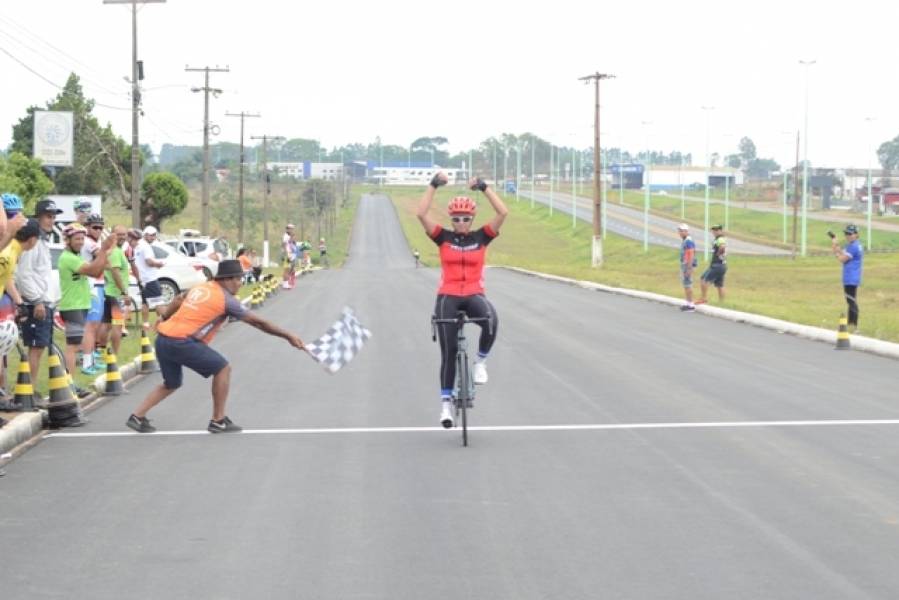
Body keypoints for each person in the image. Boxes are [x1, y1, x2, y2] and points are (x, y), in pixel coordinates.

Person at [125, 259, 306, 434]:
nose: (240, 284)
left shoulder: (201, 287)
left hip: (163, 339)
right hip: (182, 342)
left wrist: (164, 317)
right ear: (227, 279)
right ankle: (218, 420)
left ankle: (137, 416)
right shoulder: (226, 300)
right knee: (222, 368)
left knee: (171, 383)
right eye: (238, 279)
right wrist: (288, 335)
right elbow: (258, 322)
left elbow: (179, 299)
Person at [416, 172, 508, 429]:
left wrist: (484, 187)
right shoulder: (442, 237)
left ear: (472, 219)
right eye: (456, 219)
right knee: (449, 352)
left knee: (491, 319)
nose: (461, 223)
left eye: (466, 219)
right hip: (448, 295)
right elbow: (421, 214)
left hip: (474, 294)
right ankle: (446, 405)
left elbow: (503, 213)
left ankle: (480, 362)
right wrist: (433, 185)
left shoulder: (482, 237)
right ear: (451, 219)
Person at [16, 199, 63, 403]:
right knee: (35, 348)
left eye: (53, 217)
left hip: (44, 302)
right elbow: (23, 275)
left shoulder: (43, 241)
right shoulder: (33, 241)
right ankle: (28, 391)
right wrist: (37, 301)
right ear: (38, 217)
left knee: (40, 348)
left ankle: (31, 389)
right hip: (35, 304)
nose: (51, 220)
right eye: (48, 216)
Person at [57, 223, 116, 380]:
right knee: (73, 347)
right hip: (72, 306)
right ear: (67, 240)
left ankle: (70, 383)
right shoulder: (68, 258)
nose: (81, 242)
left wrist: (104, 252)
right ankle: (68, 383)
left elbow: (99, 268)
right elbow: (94, 271)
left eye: (82, 239)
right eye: (77, 239)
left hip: (80, 305)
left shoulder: (76, 257)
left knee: (76, 345)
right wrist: (103, 250)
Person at [0, 218, 40, 409]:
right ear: (32, 240)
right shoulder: (8, 252)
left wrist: (19, 301)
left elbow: (6, 277)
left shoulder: (13, 251)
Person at [79, 213, 106, 375]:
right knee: (91, 326)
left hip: (98, 284)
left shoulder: (94, 242)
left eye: (101, 228)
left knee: (94, 326)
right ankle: (87, 363)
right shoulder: (88, 243)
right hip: (92, 285)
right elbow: (104, 259)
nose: (98, 231)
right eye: (95, 227)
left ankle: (91, 360)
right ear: (87, 228)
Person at [98, 225, 130, 358]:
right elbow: (115, 272)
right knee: (117, 326)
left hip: (108, 292)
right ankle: (114, 356)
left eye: (124, 234)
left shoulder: (112, 251)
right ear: (112, 235)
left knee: (106, 324)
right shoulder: (116, 252)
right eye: (119, 234)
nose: (122, 237)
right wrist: (124, 292)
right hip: (116, 294)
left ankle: (101, 353)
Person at [832, 224, 864, 331]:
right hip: (850, 277)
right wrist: (836, 246)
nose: (848, 236)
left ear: (856, 234)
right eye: (846, 233)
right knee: (850, 301)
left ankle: (854, 325)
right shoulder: (853, 245)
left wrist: (836, 253)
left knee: (851, 301)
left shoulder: (854, 246)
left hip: (851, 277)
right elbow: (843, 252)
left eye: (850, 234)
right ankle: (851, 324)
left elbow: (842, 259)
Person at [133, 226, 167, 322]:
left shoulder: (138, 245)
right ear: (145, 235)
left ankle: (145, 323)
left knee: (145, 303)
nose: (153, 237)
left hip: (142, 279)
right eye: (151, 235)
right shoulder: (146, 246)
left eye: (154, 235)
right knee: (159, 302)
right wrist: (158, 264)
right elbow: (149, 261)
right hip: (150, 279)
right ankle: (165, 322)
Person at [696, 224, 727, 305]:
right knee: (719, 285)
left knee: (704, 280)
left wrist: (718, 253)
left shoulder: (720, 239)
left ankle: (704, 298)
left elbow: (722, 246)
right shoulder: (718, 239)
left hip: (717, 265)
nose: (715, 232)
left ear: (720, 230)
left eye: (717, 230)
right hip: (722, 265)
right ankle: (722, 303)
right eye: (713, 230)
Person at [677, 223, 697, 312]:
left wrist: (689, 268)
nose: (681, 233)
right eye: (680, 231)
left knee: (688, 285)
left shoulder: (688, 241)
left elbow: (691, 254)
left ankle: (691, 305)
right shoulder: (685, 241)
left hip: (687, 265)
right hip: (685, 264)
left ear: (687, 232)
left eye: (683, 231)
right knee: (686, 285)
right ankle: (688, 303)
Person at [282, 224, 295, 289]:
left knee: (288, 269)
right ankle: (285, 284)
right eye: (291, 229)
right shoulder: (285, 236)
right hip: (287, 254)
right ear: (287, 229)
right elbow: (284, 245)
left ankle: (286, 283)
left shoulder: (288, 236)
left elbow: (290, 243)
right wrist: (287, 254)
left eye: (292, 229)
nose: (292, 230)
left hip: (289, 253)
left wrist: (292, 237)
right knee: (286, 269)